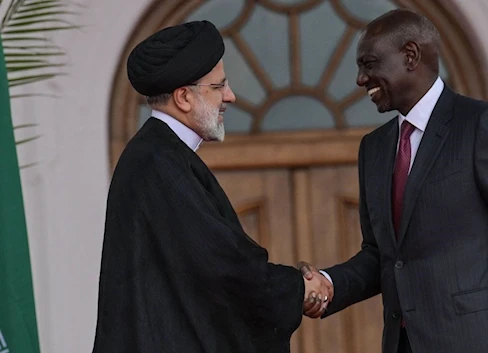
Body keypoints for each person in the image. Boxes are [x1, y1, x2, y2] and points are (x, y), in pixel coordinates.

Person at [300, 8, 488, 353]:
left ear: (410, 55)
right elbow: (383, 256)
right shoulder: (374, 149)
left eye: (370, 64)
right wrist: (329, 284)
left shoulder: (483, 126)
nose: (361, 79)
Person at [91, 20, 332, 353]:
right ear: (184, 97)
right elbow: (221, 267)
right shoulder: (157, 162)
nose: (230, 97)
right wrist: (298, 290)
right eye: (219, 86)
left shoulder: (160, 155)